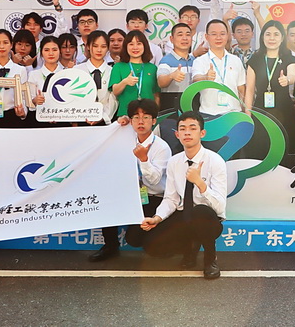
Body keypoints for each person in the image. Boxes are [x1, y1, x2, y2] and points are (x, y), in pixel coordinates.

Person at [139, 112, 227, 279]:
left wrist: (200, 183)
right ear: (177, 135)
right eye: (183, 129)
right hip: (184, 216)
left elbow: (220, 207)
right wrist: (157, 218)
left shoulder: (215, 161)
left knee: (201, 211)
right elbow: (171, 198)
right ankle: (189, 248)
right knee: (151, 245)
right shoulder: (174, 161)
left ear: (202, 133)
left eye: (192, 128)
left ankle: (210, 259)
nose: (187, 132)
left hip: (208, 220)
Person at [93, 98, 171, 262]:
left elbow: (155, 180)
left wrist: (144, 160)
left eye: (146, 117)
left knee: (135, 239)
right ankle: (110, 247)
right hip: (129, 193)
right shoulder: (125, 138)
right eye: (136, 117)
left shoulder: (161, 147)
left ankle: (163, 236)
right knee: (107, 203)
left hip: (152, 197)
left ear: (154, 121)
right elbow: (112, 132)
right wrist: (120, 122)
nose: (140, 122)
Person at [244, 20, 295, 159]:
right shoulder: (255, 60)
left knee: (284, 149)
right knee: (261, 148)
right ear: (262, 37)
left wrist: (287, 80)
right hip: (260, 111)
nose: (272, 38)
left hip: (284, 111)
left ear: (282, 38)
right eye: (268, 34)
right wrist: (247, 113)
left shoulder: (288, 58)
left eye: (276, 34)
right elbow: (249, 90)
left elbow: (292, 75)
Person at [191, 20, 246, 118]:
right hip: (208, 114)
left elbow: (241, 89)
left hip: (234, 114)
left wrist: (242, 110)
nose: (218, 37)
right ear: (206, 37)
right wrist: (205, 77)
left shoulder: (236, 60)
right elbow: (196, 79)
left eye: (222, 34)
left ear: (228, 36)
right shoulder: (200, 61)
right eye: (214, 34)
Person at [110, 30, 159, 120]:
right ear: (126, 46)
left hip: (148, 116)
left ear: (145, 46)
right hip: (125, 116)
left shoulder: (152, 68)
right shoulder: (118, 67)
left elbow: (156, 94)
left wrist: (156, 114)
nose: (135, 47)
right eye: (131, 44)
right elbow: (115, 91)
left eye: (139, 44)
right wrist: (125, 82)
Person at [75, 30, 114, 125]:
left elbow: (114, 99)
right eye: (95, 46)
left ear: (108, 48)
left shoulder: (112, 72)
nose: (99, 50)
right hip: (80, 120)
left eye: (103, 46)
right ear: (88, 46)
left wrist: (103, 117)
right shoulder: (77, 70)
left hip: (105, 121)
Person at [156, 23, 194, 115]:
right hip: (172, 109)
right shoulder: (166, 61)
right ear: (172, 39)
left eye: (188, 35)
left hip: (192, 108)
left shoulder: (196, 61)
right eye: (180, 35)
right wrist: (171, 76)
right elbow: (161, 82)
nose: (184, 38)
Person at [28, 36, 64, 127]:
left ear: (60, 51)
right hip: (39, 121)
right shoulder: (33, 75)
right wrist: (35, 100)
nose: (51, 53)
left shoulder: (66, 74)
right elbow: (29, 103)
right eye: (46, 50)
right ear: (41, 52)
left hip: (62, 120)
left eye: (54, 50)